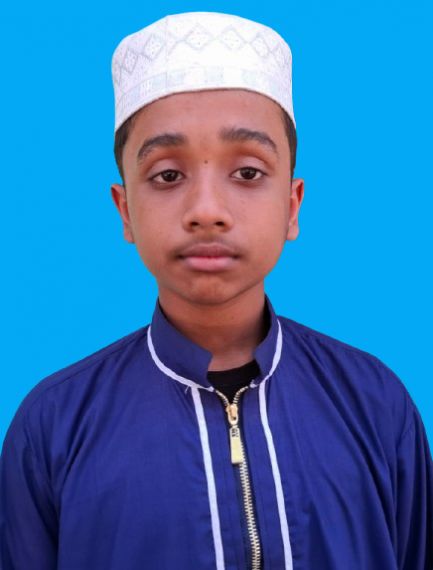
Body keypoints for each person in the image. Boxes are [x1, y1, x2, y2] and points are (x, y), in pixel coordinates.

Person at [0, 11, 432, 570]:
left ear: (292, 205)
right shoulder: (53, 427)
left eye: (247, 173)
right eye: (168, 175)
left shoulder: (375, 405)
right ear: (125, 210)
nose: (207, 210)